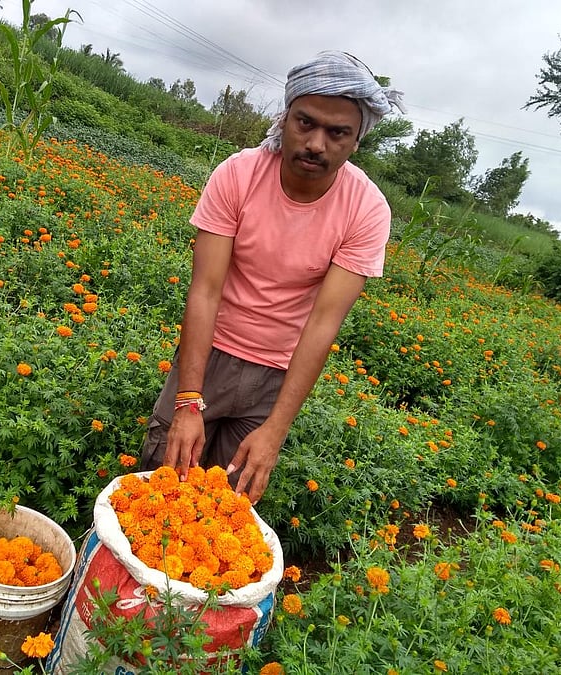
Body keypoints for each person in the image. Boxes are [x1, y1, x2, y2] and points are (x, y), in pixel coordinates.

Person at [141, 50, 405, 503]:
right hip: (209, 355)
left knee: (225, 504)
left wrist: (275, 431)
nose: (316, 143)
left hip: (276, 375)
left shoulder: (366, 209)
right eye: (305, 123)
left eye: (337, 131)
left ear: (356, 140)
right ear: (285, 118)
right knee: (158, 481)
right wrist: (188, 400)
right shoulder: (239, 174)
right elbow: (206, 290)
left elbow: (324, 325)